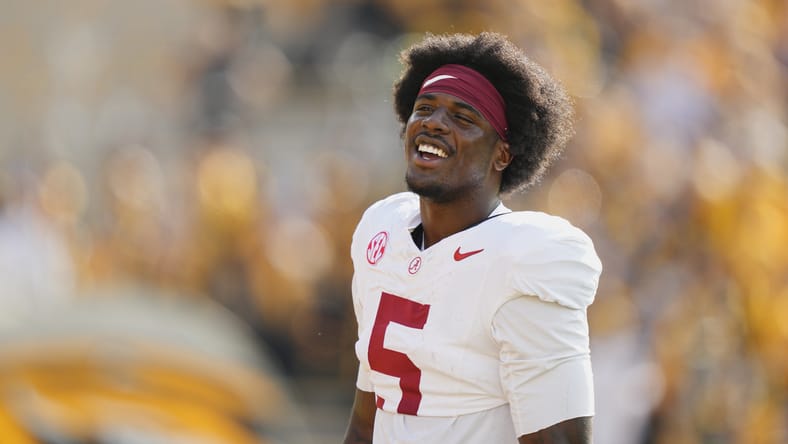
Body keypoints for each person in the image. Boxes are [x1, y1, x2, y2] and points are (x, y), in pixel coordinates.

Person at [343, 32, 602, 444]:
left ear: (502, 153)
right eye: (424, 109)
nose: (433, 122)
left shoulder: (525, 257)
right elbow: (367, 420)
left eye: (463, 118)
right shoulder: (383, 230)